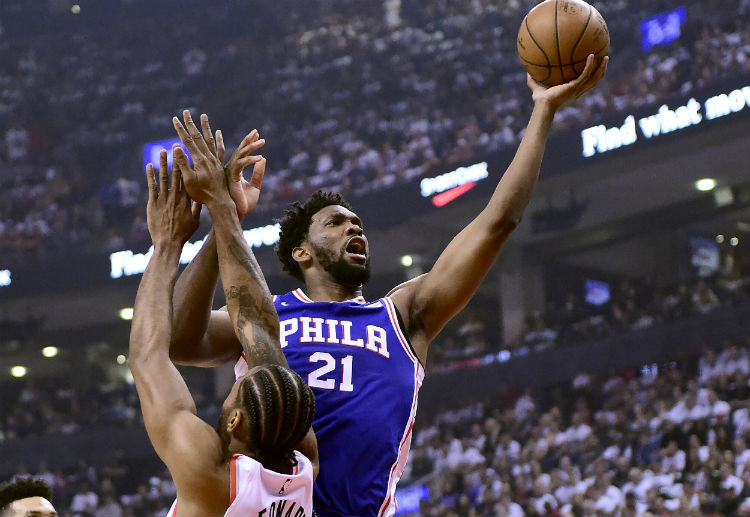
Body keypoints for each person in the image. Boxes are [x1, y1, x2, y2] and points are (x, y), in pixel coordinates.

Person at [169, 55, 609, 517]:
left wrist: (543, 111)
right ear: (302, 252)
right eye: (336, 223)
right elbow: (180, 338)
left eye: (357, 224)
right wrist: (228, 220)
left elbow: (499, 222)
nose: (354, 229)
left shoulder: (403, 316)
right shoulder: (267, 314)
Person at [129, 147, 317, 517]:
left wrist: (167, 244)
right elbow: (258, 329)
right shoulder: (304, 469)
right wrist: (224, 211)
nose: (234, 380)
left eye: (236, 385)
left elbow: (148, 355)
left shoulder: (210, 474)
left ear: (235, 420)